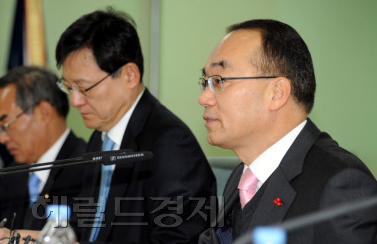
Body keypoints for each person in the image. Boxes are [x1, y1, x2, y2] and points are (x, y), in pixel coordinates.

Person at [197, 19, 377, 244]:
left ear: (277, 93)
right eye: (205, 82)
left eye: (219, 81)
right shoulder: (244, 176)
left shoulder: (341, 184)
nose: (203, 98)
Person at [54, 8, 215, 243]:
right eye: (69, 87)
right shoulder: (100, 138)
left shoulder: (169, 143)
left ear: (130, 75)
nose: (75, 101)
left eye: (85, 88)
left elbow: (177, 240)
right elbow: (84, 230)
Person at [0, 66, 87, 240]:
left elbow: (79, 234)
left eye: (6, 125)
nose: (2, 139)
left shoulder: (86, 167)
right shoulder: (16, 172)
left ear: (43, 113)